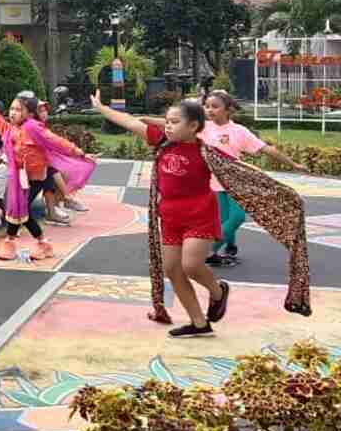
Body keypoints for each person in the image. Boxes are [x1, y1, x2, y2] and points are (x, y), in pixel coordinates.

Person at [94, 91, 311, 329]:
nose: (168, 127)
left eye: (174, 123)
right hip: (169, 216)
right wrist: (101, 108)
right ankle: (198, 322)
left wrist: (287, 192)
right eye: (166, 121)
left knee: (191, 265)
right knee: (172, 269)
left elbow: (246, 172)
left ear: (193, 126)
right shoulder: (161, 142)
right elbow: (129, 121)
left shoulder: (207, 151)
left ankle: (218, 292)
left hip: (199, 214)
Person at [139, 90, 307, 266]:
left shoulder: (239, 131)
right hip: (210, 183)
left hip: (234, 182)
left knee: (237, 217)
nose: (210, 110)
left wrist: (293, 164)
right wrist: (145, 120)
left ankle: (209, 249)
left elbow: (267, 149)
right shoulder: (202, 127)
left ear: (228, 110)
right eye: (207, 106)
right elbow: (173, 123)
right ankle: (229, 246)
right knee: (223, 218)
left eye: (215, 106)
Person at [0, 90, 95, 262]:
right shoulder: (10, 129)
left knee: (21, 211)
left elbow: (56, 142)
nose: (13, 112)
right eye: (12, 109)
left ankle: (40, 244)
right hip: (18, 177)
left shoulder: (34, 128)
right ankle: (13, 243)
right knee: (16, 210)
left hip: (35, 178)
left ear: (29, 113)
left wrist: (78, 152)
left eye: (18, 109)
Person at [36, 102, 85, 222]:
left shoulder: (43, 127)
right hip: (34, 165)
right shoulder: (33, 128)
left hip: (44, 162)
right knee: (51, 170)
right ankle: (64, 199)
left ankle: (59, 203)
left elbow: (55, 145)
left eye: (45, 110)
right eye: (40, 111)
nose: (44, 113)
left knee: (65, 167)